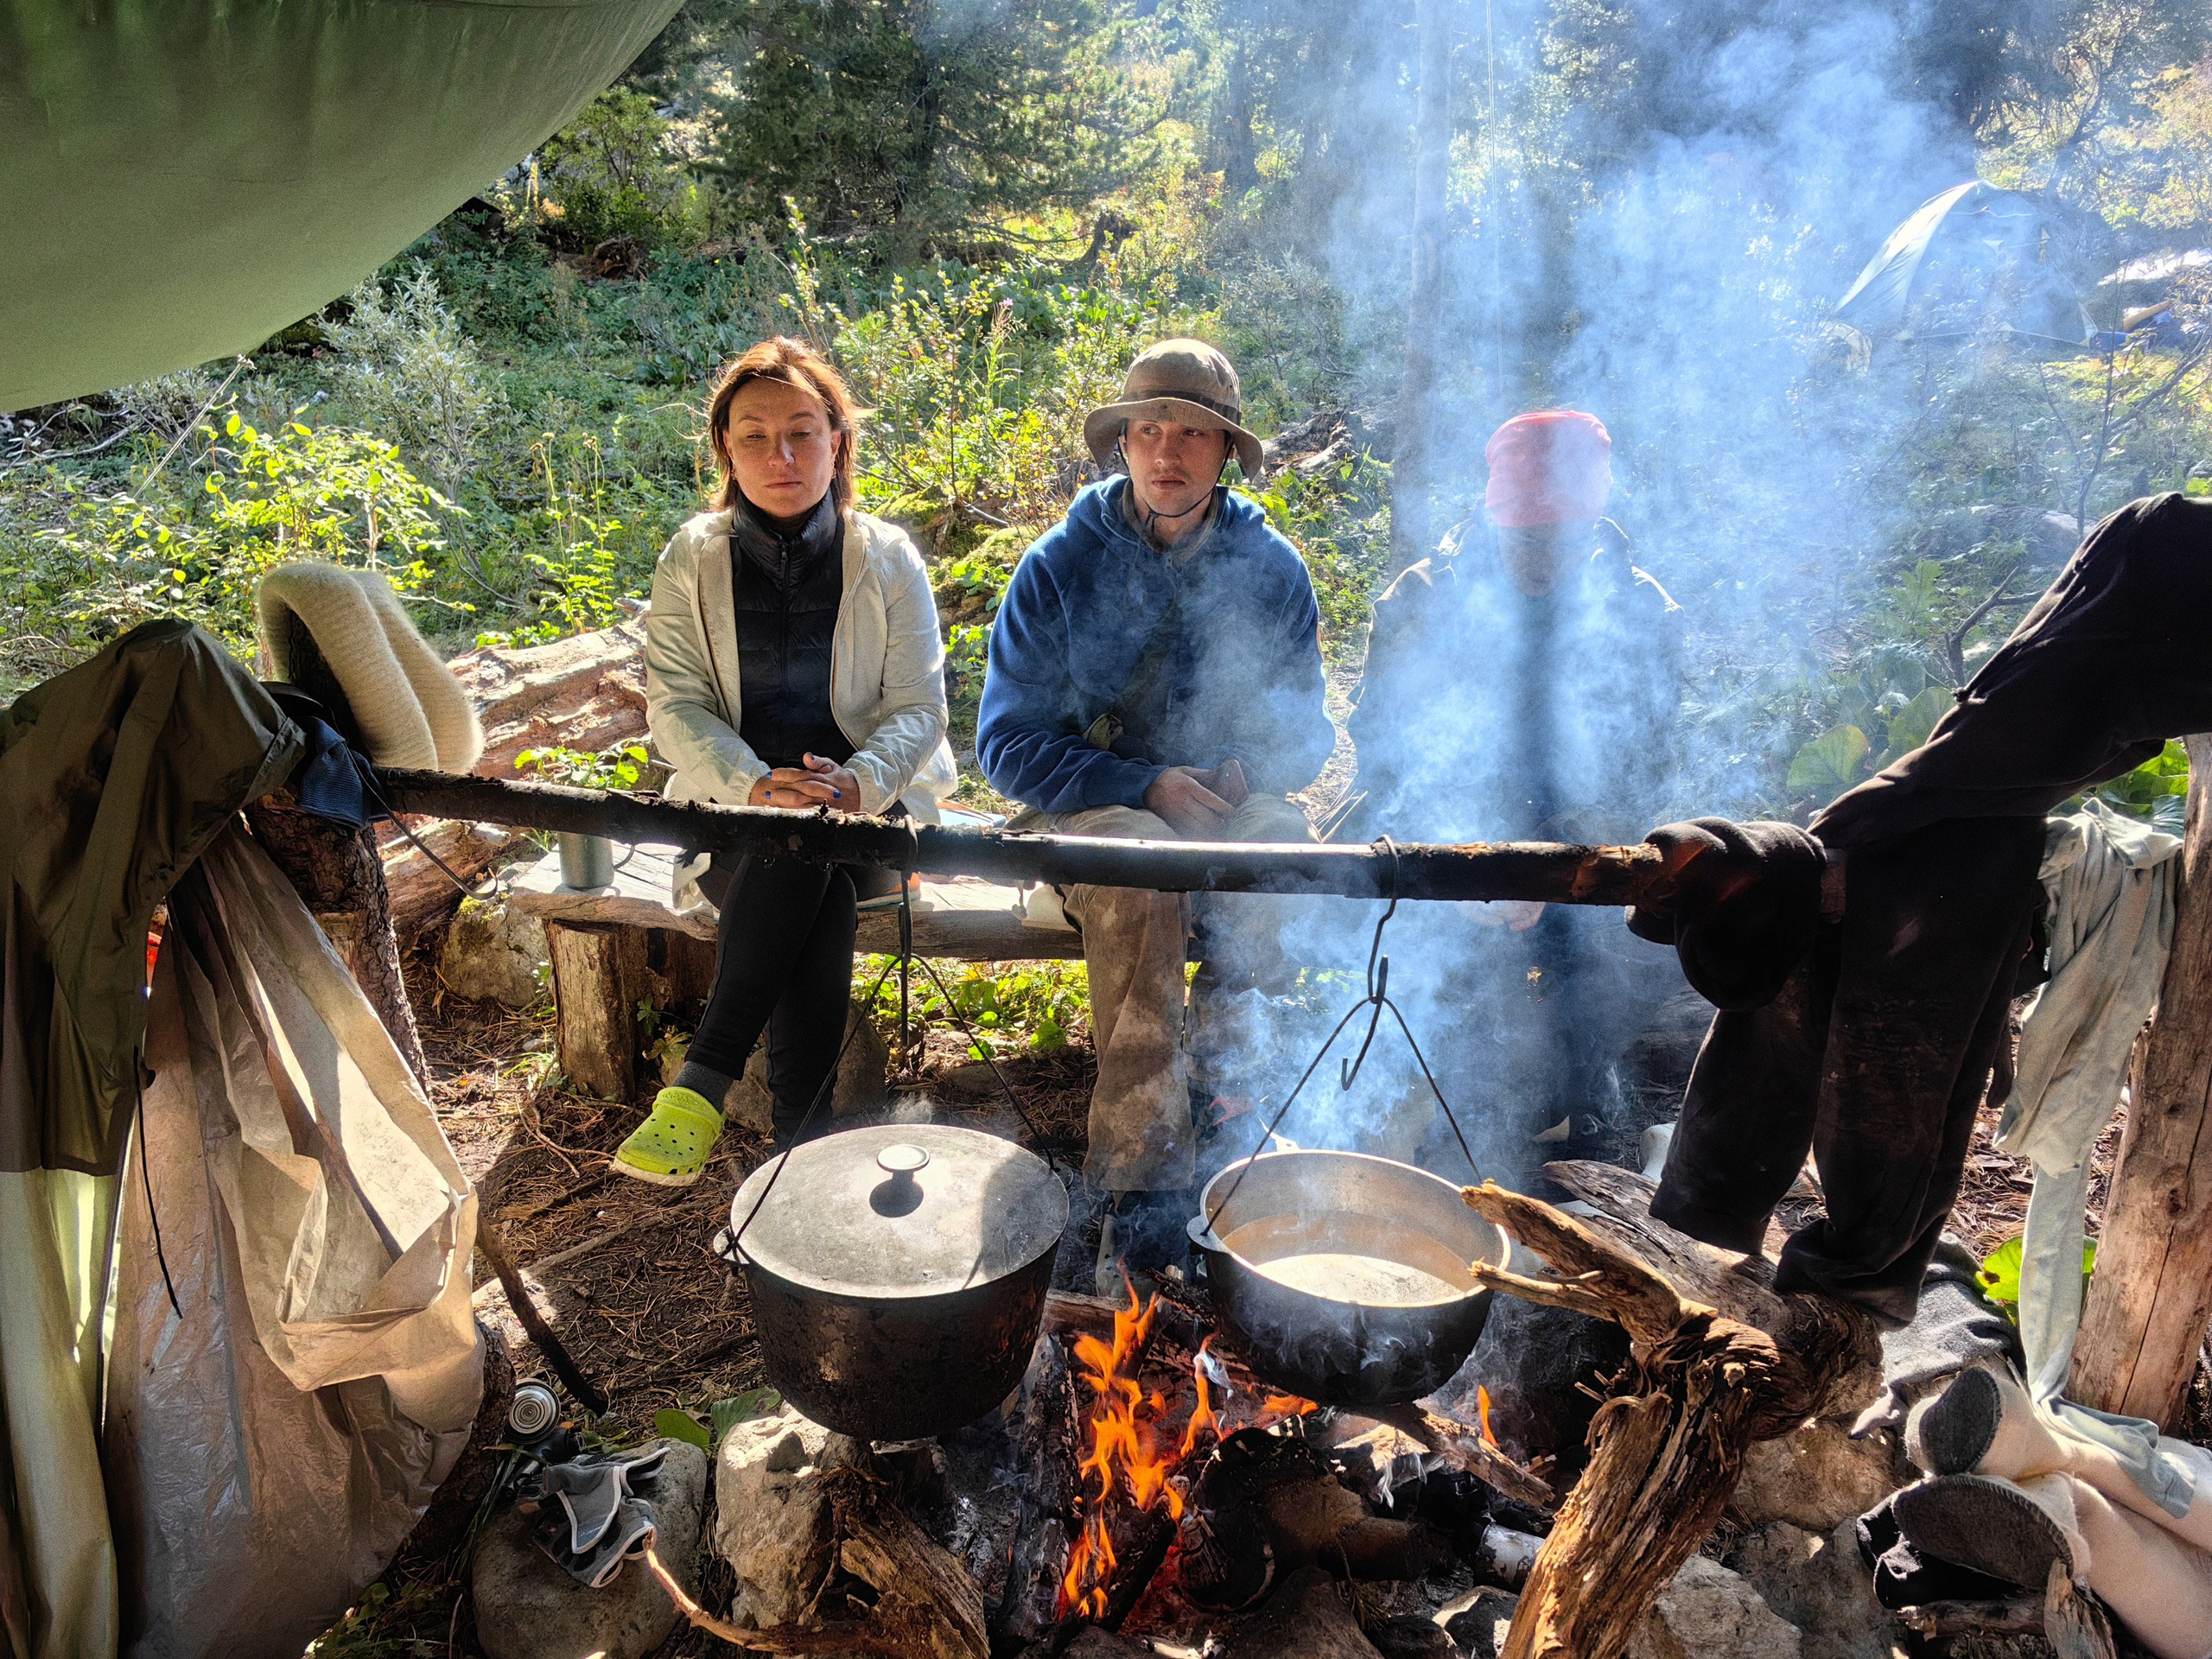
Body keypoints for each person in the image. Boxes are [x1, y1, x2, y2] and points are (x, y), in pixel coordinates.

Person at [976, 339, 1336, 1273]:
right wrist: (1140, 784)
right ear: (1122, 446)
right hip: (1095, 819)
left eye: (1191, 433)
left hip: (1223, 809)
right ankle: (1140, 1174)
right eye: (1146, 431)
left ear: (1226, 453)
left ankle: (1230, 1109)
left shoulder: (1273, 569)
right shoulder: (1057, 567)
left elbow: (1310, 736)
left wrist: (1243, 773)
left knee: (1286, 858)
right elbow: (1005, 746)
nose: (1165, 453)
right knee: (1139, 868)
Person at [613, 337, 955, 1184]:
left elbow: (921, 708)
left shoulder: (885, 556)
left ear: (838, 440)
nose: (783, 454)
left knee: (817, 853)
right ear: (724, 448)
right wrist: (757, 784)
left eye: (803, 431)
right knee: (808, 871)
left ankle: (704, 1086)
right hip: (736, 820)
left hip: (872, 819)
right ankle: (800, 1161)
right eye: (755, 435)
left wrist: (857, 782)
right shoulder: (692, 557)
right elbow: (676, 705)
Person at [1346, 410, 1688, 1164]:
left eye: (1560, 536)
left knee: (1622, 945)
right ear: (1491, 517)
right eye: (1523, 536)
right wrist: (1477, 862)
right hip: (1445, 831)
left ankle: (1586, 1099)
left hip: (1583, 840)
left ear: (1593, 522)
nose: (1539, 555)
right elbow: (1386, 757)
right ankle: (1427, 1088)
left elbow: (1642, 770)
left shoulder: (1639, 612)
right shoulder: (1424, 602)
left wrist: (1552, 866)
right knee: (1408, 924)